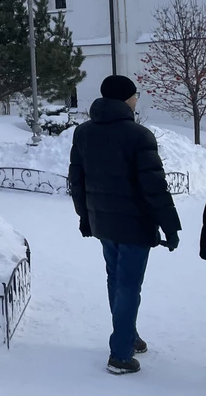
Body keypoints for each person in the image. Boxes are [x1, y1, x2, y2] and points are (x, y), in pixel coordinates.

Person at [68, 75, 182, 376]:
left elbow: (76, 180)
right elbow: (154, 187)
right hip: (134, 225)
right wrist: (170, 227)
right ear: (125, 99)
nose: (136, 99)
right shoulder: (138, 135)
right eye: (135, 95)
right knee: (129, 285)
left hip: (103, 222)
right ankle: (120, 354)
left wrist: (85, 216)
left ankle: (127, 335)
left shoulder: (83, 132)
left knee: (116, 280)